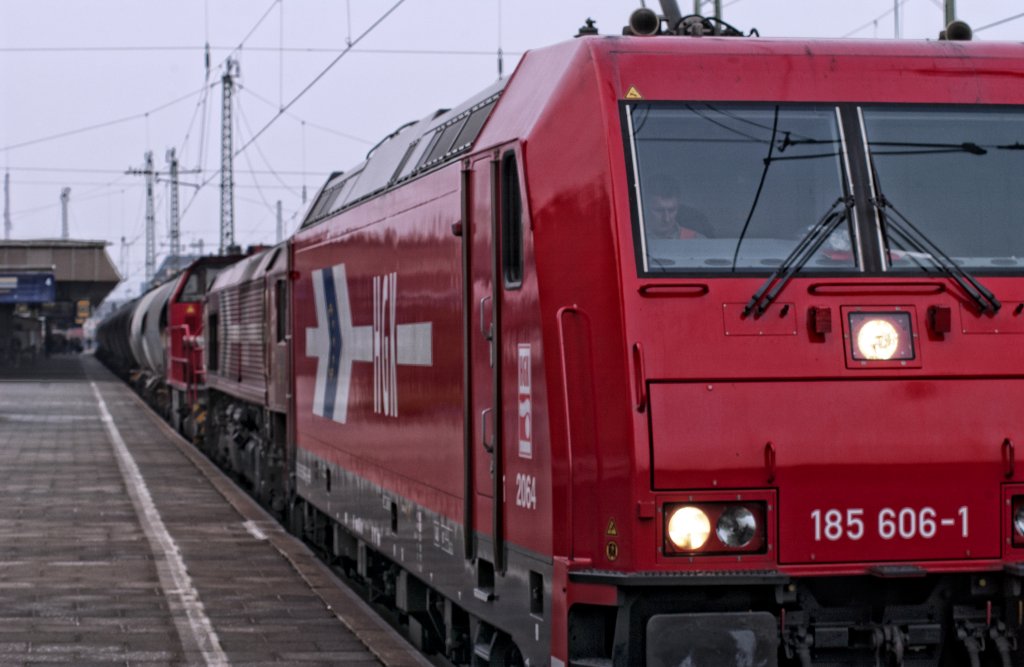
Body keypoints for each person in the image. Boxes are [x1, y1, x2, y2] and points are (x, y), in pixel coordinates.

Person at [643, 174, 712, 239]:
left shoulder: (696, 240)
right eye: (659, 210)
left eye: (672, 210)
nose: (666, 219)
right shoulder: (636, 238)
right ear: (645, 208)